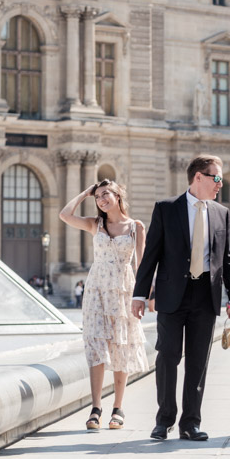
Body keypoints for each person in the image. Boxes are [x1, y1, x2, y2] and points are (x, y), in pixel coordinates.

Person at [132, 154, 230, 441]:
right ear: (198, 177)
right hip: (171, 295)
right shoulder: (166, 209)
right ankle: (164, 419)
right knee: (167, 356)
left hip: (206, 295)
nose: (220, 183)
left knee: (198, 361)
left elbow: (227, 259)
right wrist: (140, 294)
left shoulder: (221, 212)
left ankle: (190, 423)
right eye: (216, 177)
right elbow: (151, 256)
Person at [60, 179, 148, 431]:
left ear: (118, 195)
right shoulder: (94, 224)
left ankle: (118, 407)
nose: (101, 199)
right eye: (98, 196)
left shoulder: (136, 227)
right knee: (97, 345)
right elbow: (65, 215)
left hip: (123, 288)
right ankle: (96, 407)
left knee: (121, 345)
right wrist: (84, 193)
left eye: (106, 194)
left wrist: (140, 296)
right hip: (96, 290)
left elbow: (140, 265)